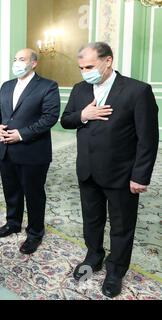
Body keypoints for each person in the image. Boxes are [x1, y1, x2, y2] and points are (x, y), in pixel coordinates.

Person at [60, 42, 159, 298]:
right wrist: (84, 114)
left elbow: (147, 139)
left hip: (122, 174)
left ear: (108, 61)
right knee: (91, 221)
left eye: (90, 66)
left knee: (121, 226)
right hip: (87, 170)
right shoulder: (80, 89)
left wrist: (140, 175)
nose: (85, 72)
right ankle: (93, 257)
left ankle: (116, 270)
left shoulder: (137, 91)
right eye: (81, 67)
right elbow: (66, 120)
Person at [0, 48, 60, 254]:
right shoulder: (7, 85)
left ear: (34, 63)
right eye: (15, 59)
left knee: (34, 194)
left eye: (22, 59)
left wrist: (21, 134)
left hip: (32, 152)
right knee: (11, 190)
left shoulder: (47, 86)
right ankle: (12, 223)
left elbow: (49, 117)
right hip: (6, 150)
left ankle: (35, 233)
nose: (17, 63)